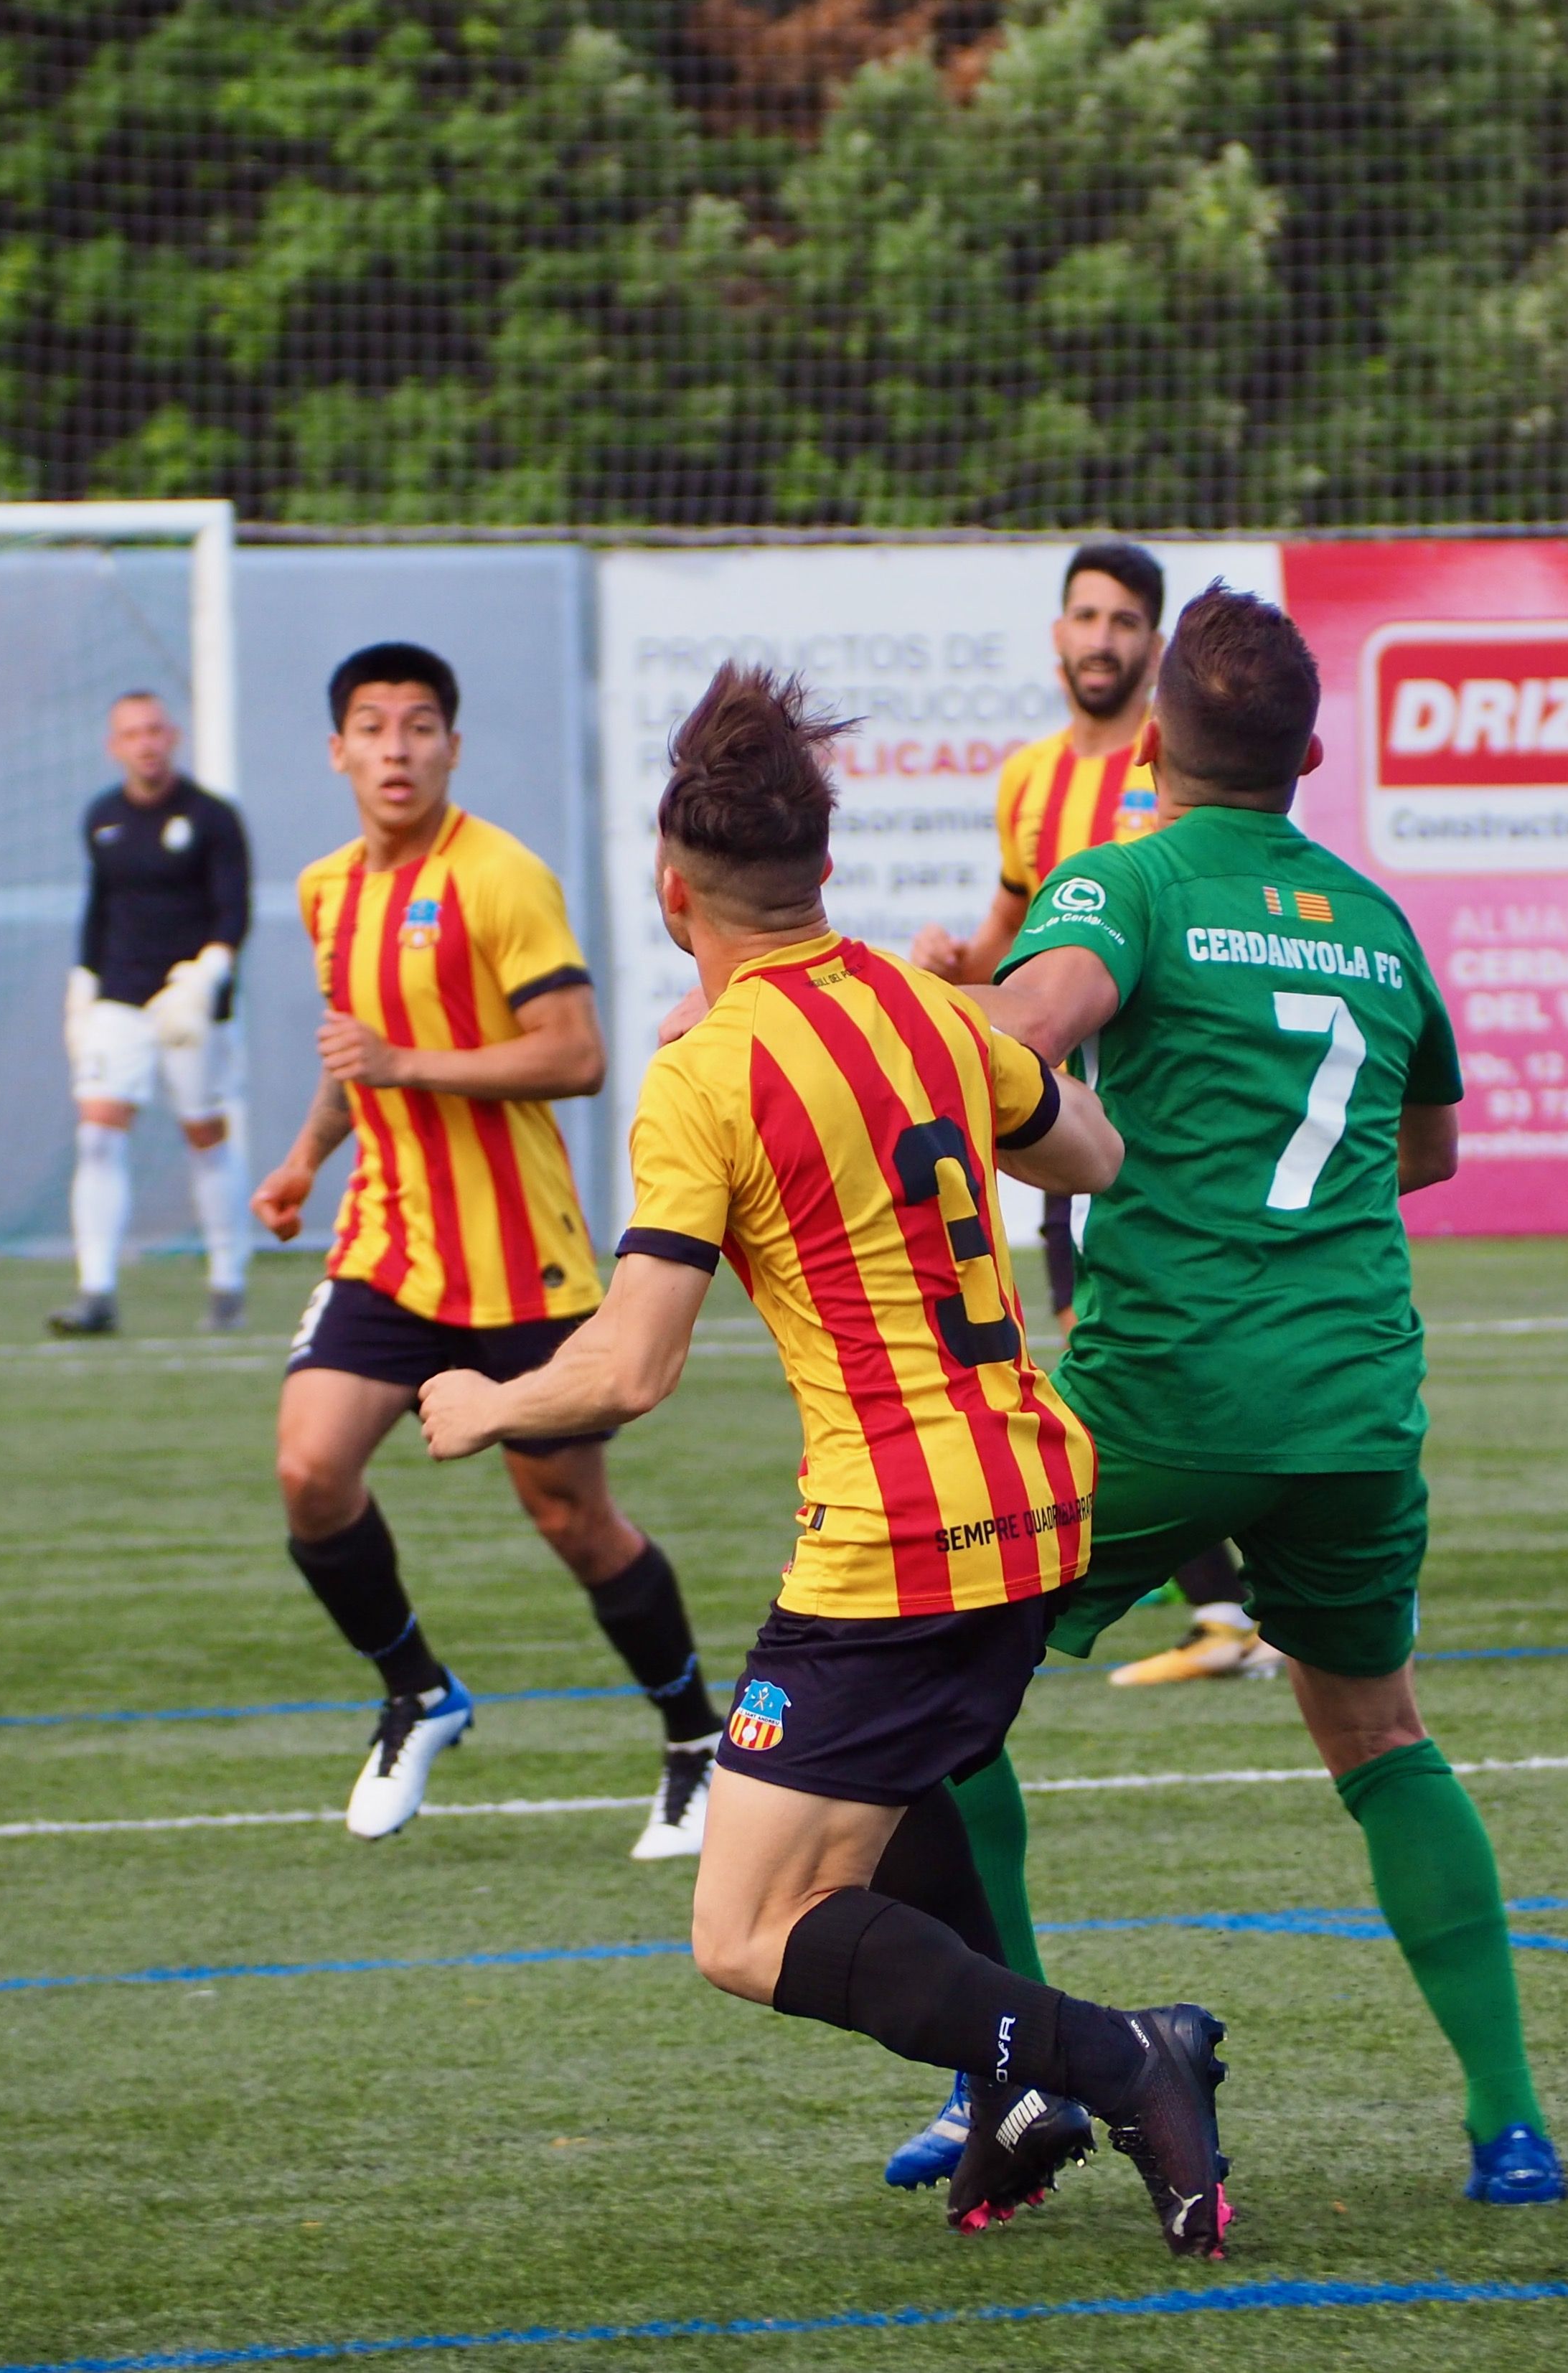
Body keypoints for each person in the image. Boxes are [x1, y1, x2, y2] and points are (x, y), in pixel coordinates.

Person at [416, 663, 1234, 2258]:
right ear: (827, 872)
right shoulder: (930, 1009)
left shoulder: (707, 1072)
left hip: (899, 1531)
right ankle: (1012, 2105)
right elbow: (1094, 1150)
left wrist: (484, 1401)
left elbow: (632, 1365)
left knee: (746, 1929)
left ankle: (1119, 2056)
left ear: (670, 892)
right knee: (888, 1803)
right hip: (1036, 1490)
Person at [948, 583, 1568, 2211]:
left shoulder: (1126, 877)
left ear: (1150, 746)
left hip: (1157, 1395)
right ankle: (1511, 2123)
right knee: (1380, 1731)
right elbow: (1426, 1144)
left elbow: (1024, 1039)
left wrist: (938, 1015)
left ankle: (1011, 2081)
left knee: (946, 1702)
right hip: (1355, 1398)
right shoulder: (1373, 916)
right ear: (1308, 754)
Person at [250, 643, 723, 1859]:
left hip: (526, 1264)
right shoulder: (323, 889)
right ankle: (416, 1688)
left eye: (419, 726)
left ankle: (693, 1739)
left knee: (572, 1515)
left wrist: (404, 1068)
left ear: (452, 746)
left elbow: (575, 1055)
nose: (395, 747)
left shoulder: (502, 877)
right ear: (338, 750)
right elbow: (360, 1054)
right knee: (310, 1469)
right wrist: (309, 1155)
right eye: (372, 725)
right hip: (389, 1246)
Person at [910, 541, 1264, 1697]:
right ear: (1057, 636)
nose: (1102, 639)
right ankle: (1229, 1602)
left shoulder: (1172, 783)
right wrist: (949, 963)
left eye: (1124, 621)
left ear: (1152, 647)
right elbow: (1008, 937)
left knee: (1129, 1357)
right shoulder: (1026, 782)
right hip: (1066, 1120)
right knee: (1100, 1352)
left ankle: (1235, 1597)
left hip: (1163, 1112)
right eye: (1085, 617)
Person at [52, 690, 254, 1335]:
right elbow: (100, 908)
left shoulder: (214, 818)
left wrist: (207, 976)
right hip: (121, 997)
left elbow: (234, 910)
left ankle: (227, 1281)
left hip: (192, 1003)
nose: (145, 742)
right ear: (115, 746)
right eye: (131, 734)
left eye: (154, 730)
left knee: (204, 1134)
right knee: (98, 1134)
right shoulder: (102, 819)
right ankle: (97, 1291)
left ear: (174, 736)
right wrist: (83, 985)